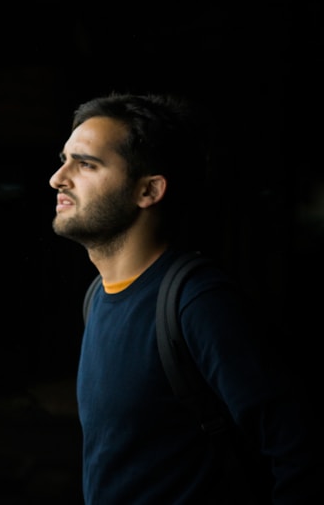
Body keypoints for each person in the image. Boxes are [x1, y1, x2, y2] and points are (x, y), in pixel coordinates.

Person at [49, 92, 322, 504]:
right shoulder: (98, 295)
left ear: (149, 191)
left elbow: (301, 453)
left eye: (86, 164)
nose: (58, 178)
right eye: (64, 159)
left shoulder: (198, 302)